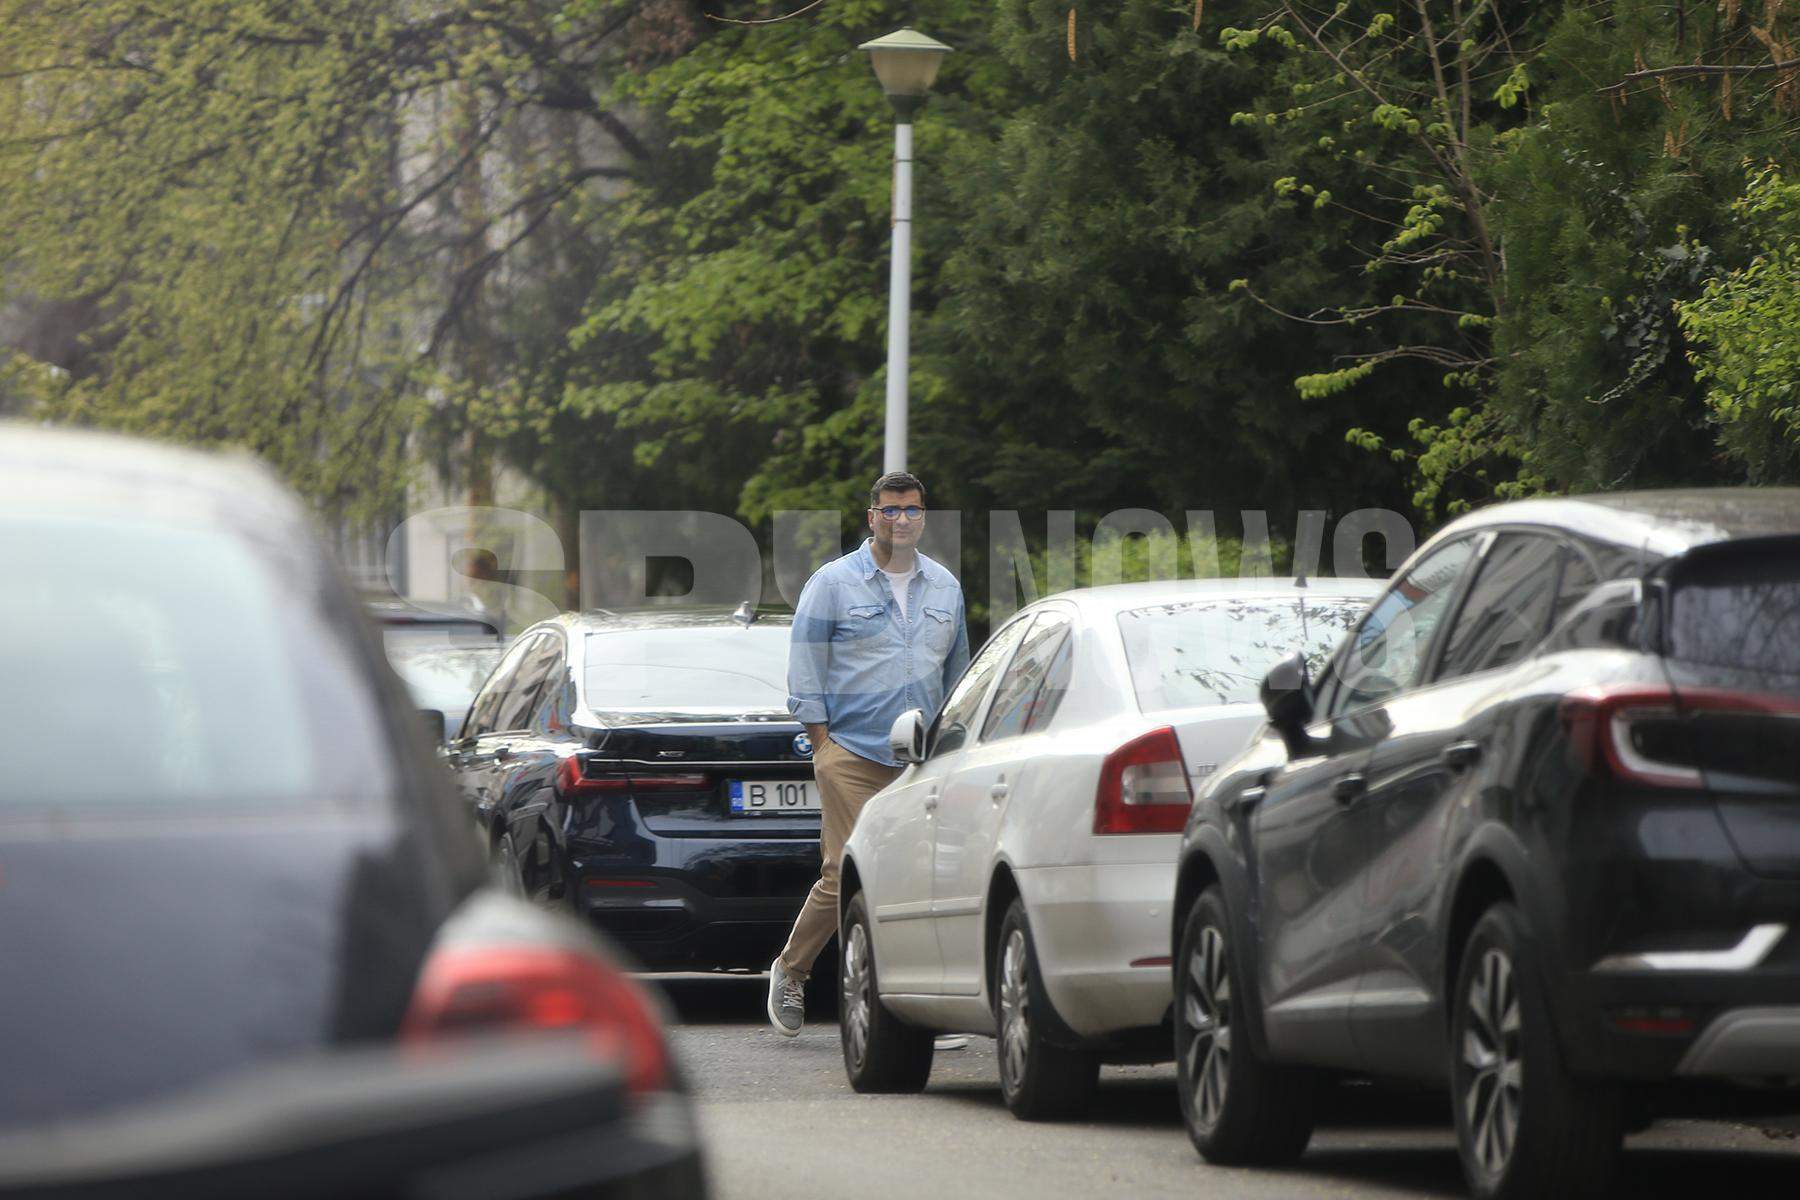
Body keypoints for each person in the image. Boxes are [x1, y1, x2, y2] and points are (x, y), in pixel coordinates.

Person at [767, 471, 969, 1037]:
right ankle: (791, 970)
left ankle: (928, 1003)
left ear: (922, 516)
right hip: (852, 750)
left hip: (922, 759)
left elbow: (958, 675)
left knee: (923, 877)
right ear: (872, 517)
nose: (901, 519)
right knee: (845, 874)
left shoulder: (945, 587)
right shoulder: (833, 584)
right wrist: (822, 744)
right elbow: (805, 666)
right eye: (891, 510)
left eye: (911, 510)